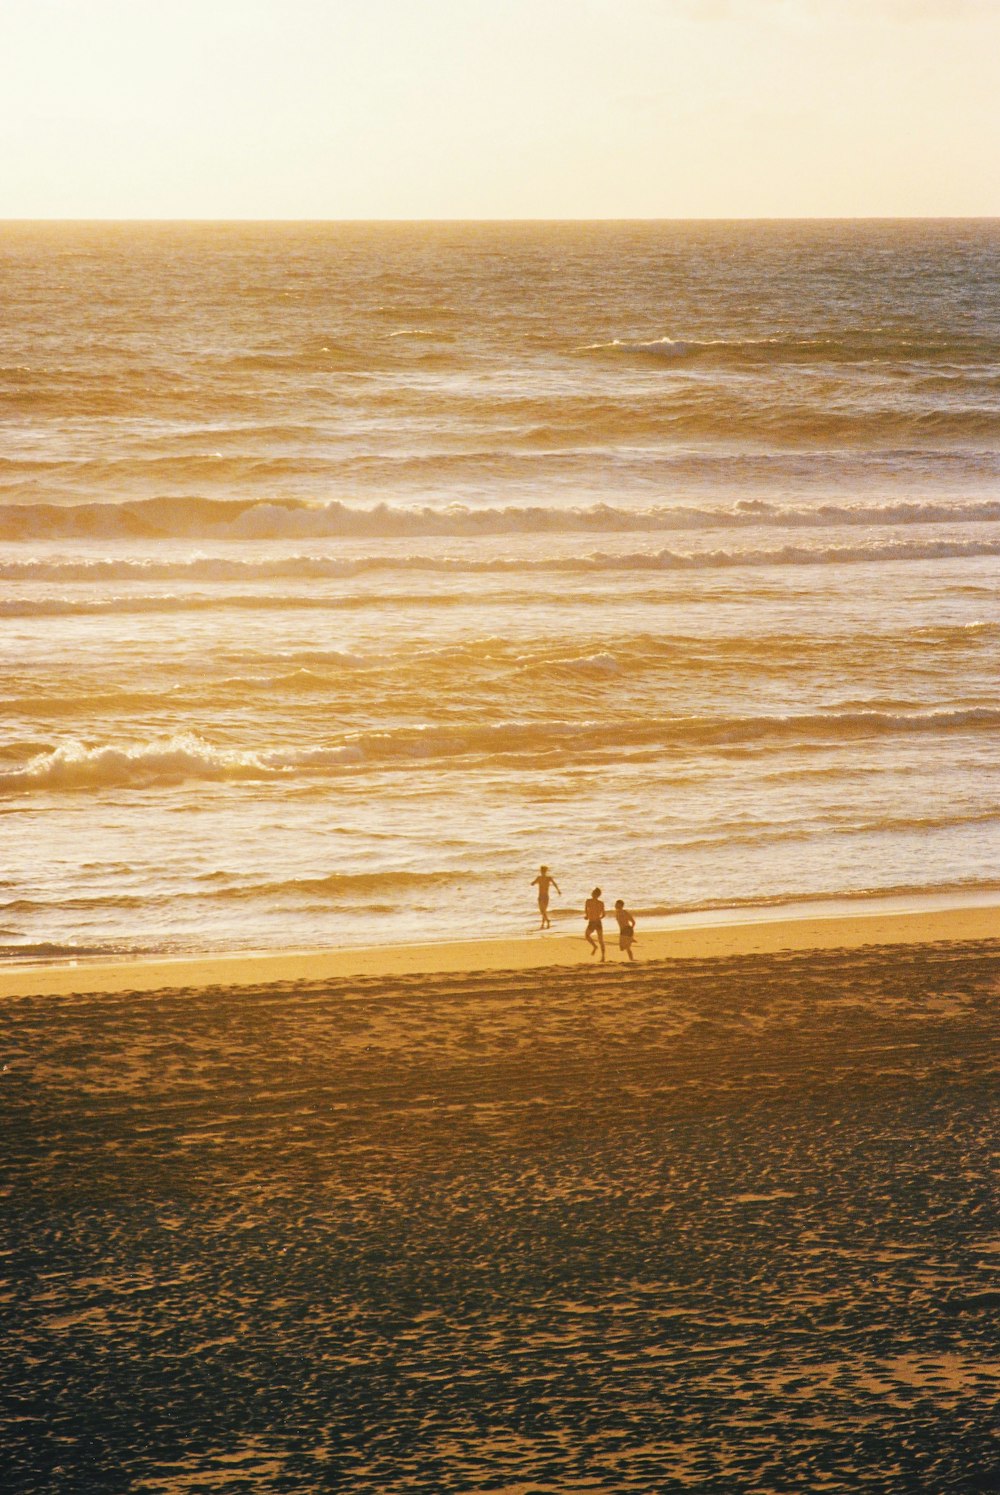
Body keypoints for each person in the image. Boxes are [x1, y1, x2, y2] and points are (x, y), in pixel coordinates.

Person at [531, 865, 561, 930]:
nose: (542, 872)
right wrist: (558, 891)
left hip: (543, 896)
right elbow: (533, 883)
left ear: (542, 871)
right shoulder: (545, 878)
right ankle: (545, 923)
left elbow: (554, 884)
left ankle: (546, 922)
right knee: (543, 911)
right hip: (543, 896)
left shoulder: (542, 878)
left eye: (542, 871)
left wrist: (558, 890)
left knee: (543, 911)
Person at [584, 887, 606, 961]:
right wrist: (588, 916)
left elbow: (586, 911)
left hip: (593, 922)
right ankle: (600, 954)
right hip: (596, 922)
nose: (592, 893)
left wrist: (587, 916)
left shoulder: (589, 901)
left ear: (596, 894)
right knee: (598, 939)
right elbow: (603, 915)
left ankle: (601, 955)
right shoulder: (599, 903)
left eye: (593, 892)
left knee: (590, 936)